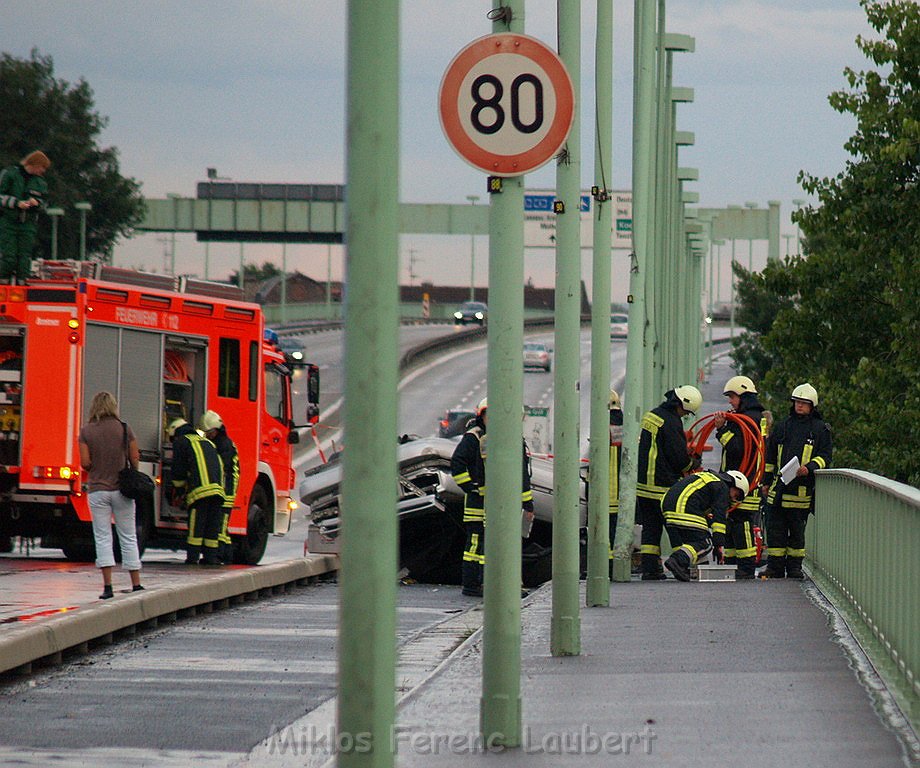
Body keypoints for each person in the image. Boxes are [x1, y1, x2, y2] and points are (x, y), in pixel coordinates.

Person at [450, 397, 534, 597]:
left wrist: (526, 502)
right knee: (476, 545)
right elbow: (458, 464)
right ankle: (473, 584)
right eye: (489, 416)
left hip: (501, 504)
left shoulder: (510, 439)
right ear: (482, 416)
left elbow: (520, 475)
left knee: (495, 544)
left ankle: (493, 584)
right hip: (479, 504)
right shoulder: (475, 437)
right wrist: (471, 488)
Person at [760, 383, 832, 579]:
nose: (799, 406)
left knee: (797, 533)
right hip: (779, 490)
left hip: (801, 491)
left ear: (812, 406)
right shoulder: (783, 426)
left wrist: (808, 469)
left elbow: (825, 456)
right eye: (797, 402)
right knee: (776, 531)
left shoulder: (820, 429)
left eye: (804, 403)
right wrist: (766, 482)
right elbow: (770, 457)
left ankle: (793, 568)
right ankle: (774, 568)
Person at [78, 391, 143, 599]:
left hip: (98, 491)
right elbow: (135, 458)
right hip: (121, 490)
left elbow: (85, 463)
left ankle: (107, 587)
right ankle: (136, 584)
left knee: (103, 537)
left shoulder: (86, 431)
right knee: (128, 535)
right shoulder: (124, 428)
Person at [635, 385, 701, 580]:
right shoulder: (671, 422)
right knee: (676, 527)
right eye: (686, 412)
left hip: (643, 486)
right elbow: (678, 456)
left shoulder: (651, 415)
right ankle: (680, 565)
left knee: (651, 529)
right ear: (681, 405)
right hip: (662, 485)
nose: (684, 415)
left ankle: (650, 569)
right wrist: (693, 463)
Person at [714, 375, 768, 579]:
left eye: (733, 396)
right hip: (745, 482)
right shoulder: (755, 417)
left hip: (743, 483)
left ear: (743, 396)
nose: (730, 401)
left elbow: (738, 449)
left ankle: (744, 568)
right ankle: (732, 565)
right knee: (733, 524)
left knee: (740, 523)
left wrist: (722, 431)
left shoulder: (747, 420)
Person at [662, 470, 749, 582]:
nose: (733, 499)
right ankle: (677, 561)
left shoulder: (709, 479)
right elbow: (719, 519)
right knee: (705, 543)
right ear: (734, 484)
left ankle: (699, 568)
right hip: (683, 506)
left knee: (695, 539)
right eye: (736, 495)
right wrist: (718, 545)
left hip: (669, 506)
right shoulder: (722, 487)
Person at [167, 417, 225, 566]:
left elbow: (178, 469)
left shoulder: (181, 441)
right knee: (212, 528)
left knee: (196, 528)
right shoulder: (208, 442)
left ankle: (192, 559)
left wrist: (178, 490)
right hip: (218, 492)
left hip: (200, 493)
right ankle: (210, 559)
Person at [0, 151, 51, 282]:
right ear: (34, 164)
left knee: (24, 258)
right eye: (42, 167)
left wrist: (37, 203)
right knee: (8, 257)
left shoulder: (40, 183)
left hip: (28, 224)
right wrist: (17, 203)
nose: (43, 171)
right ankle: (3, 282)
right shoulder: (10, 174)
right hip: (8, 222)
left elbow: (45, 204)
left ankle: (22, 283)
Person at [200, 410, 239, 564]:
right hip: (224, 486)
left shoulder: (224, 444)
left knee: (221, 525)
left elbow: (222, 467)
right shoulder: (220, 442)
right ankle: (225, 556)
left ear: (215, 430)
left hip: (227, 487)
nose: (207, 435)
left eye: (208, 432)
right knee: (221, 525)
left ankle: (219, 556)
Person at [608, 389, 623, 575]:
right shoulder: (620, 422)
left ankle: (609, 568)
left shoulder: (608, 424)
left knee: (608, 532)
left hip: (608, 491)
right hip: (619, 490)